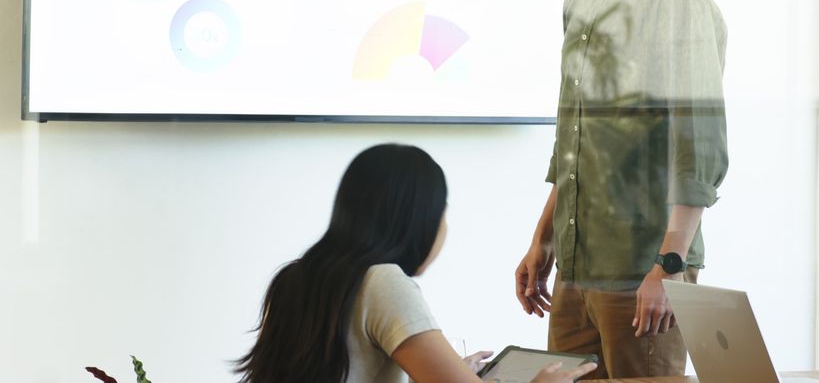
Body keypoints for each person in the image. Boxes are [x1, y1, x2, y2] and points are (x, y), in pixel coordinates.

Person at [515, 0, 729, 379]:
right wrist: (543, 241)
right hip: (575, 269)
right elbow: (575, 140)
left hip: (644, 271)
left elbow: (699, 147)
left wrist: (670, 266)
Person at [237, 144, 596, 383]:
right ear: (416, 218)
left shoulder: (292, 277)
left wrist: (450, 372)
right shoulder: (382, 281)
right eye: (442, 212)